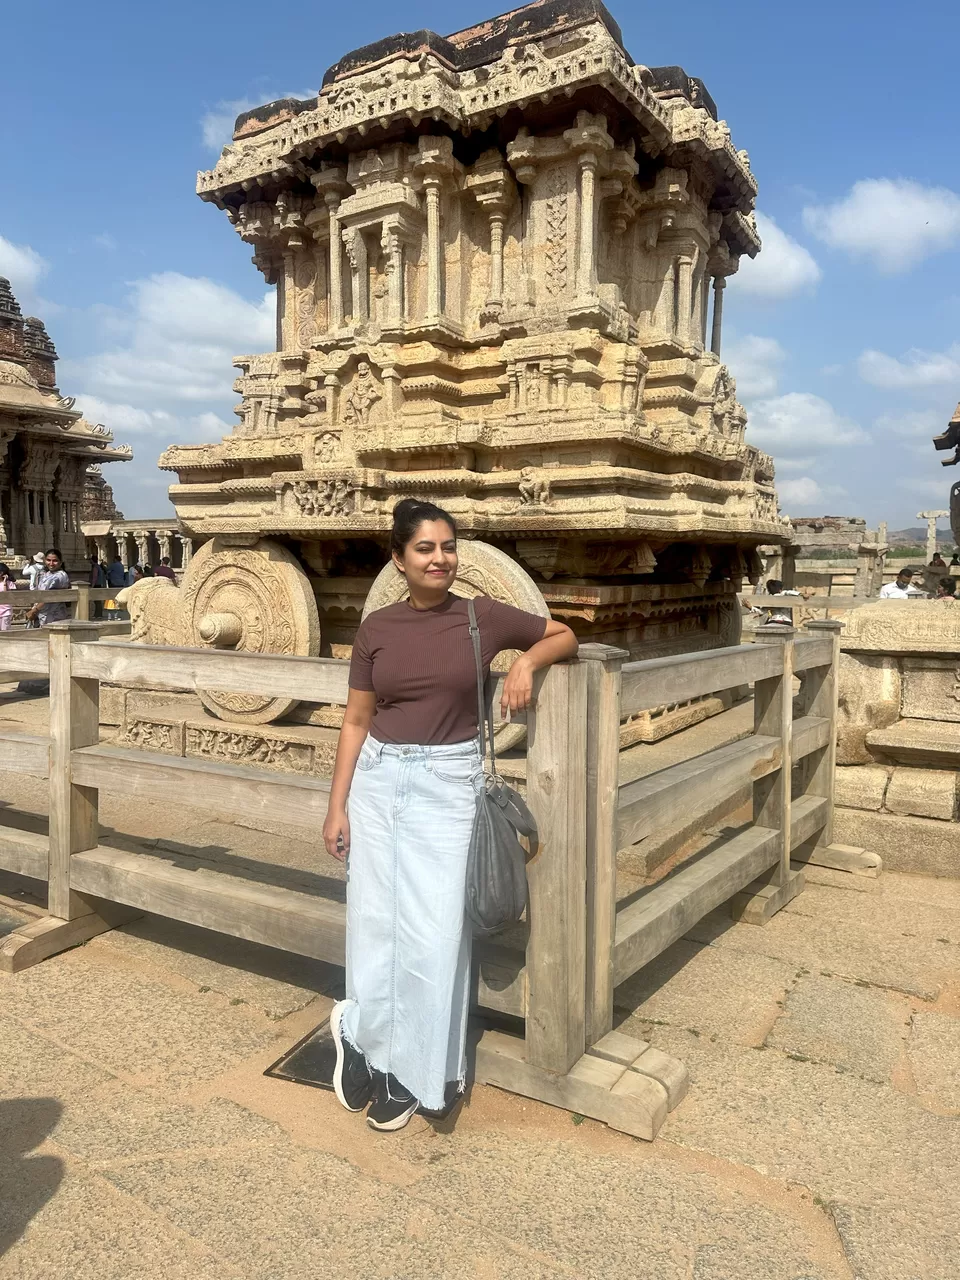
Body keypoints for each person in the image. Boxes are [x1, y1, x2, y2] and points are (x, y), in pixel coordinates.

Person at [322, 499, 578, 1132]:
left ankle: (414, 1071)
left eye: (448, 547)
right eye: (425, 549)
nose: (440, 559)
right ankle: (362, 1036)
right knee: (375, 922)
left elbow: (563, 634)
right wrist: (337, 806)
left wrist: (524, 660)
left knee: (434, 932)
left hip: (448, 780)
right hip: (378, 780)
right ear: (399, 559)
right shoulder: (377, 626)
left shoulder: (480, 617)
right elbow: (356, 720)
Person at [25, 549, 70, 627]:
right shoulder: (47, 574)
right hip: (42, 614)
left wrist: (34, 611)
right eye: (48, 560)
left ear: (60, 562)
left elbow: (49, 596)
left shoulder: (60, 576)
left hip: (54, 615)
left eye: (55, 561)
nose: (51, 563)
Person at [0, 564, 16, 631]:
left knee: (5, 631)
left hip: (5, 611)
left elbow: (7, 595)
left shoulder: (10, 583)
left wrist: (5, 583)